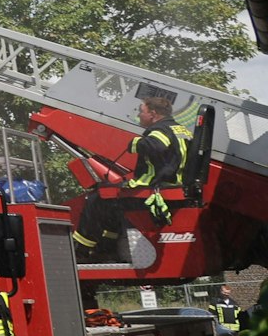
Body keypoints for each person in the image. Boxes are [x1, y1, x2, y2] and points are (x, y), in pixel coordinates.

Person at [73, 91, 192, 261]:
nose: (138, 115)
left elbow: (156, 146)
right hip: (173, 187)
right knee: (112, 207)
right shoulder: (182, 130)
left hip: (154, 191)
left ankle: (81, 250)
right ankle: (107, 249)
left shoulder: (159, 130)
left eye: (141, 111)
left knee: (97, 199)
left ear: (153, 114)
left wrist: (136, 143)